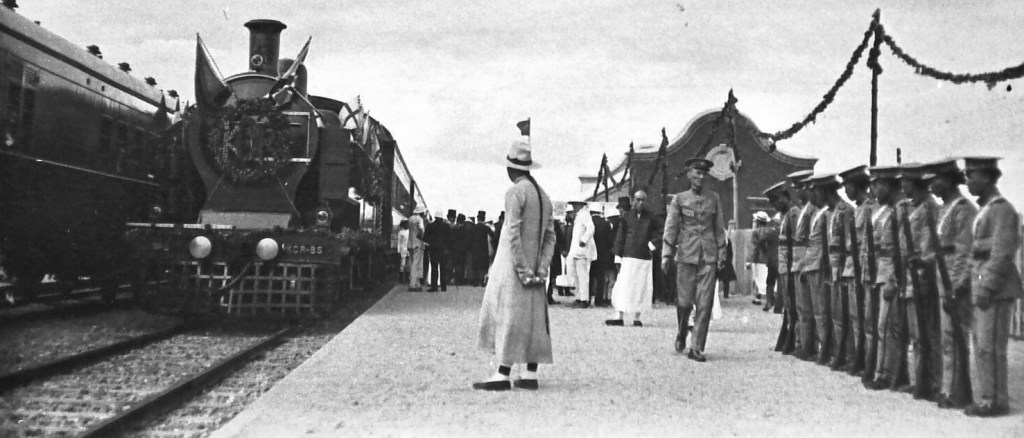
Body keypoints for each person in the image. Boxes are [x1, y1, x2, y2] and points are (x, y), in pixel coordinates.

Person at [476, 140, 557, 391]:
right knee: (534, 319)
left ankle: (502, 374)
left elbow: (512, 233)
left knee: (507, 316)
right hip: (536, 268)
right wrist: (541, 268)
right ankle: (530, 373)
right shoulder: (544, 196)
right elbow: (550, 237)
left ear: (511, 168)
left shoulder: (516, 192)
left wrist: (522, 270)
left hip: (513, 267)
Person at [963, 156, 1020, 417]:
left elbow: (1001, 254)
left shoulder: (1002, 210)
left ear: (986, 177)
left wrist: (985, 287)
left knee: (991, 347)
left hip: (996, 290)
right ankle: (989, 398)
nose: (967, 181)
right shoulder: (985, 210)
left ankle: (995, 401)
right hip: (983, 286)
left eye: (971, 176)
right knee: (982, 346)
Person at [923, 159, 976, 409]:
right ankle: (947, 388)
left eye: (935, 180)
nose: (931, 185)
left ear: (948, 180)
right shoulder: (944, 209)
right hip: (940, 279)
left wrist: (956, 286)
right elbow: (941, 249)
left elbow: (965, 253)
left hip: (953, 283)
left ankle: (957, 391)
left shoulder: (964, 209)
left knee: (956, 336)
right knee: (946, 337)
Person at [662, 158, 726, 362]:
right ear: (689, 175)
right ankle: (682, 332)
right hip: (686, 255)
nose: (701, 177)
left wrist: (722, 252)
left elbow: (719, 228)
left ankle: (697, 347)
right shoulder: (679, 199)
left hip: (708, 256)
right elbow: (671, 227)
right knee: (684, 303)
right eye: (697, 173)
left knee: (705, 303)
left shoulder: (714, 198)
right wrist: (666, 254)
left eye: (704, 174)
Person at [894, 164, 942, 400]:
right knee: (916, 334)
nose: (903, 186)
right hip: (909, 276)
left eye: (906, 181)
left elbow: (928, 245)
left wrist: (920, 267)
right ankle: (921, 381)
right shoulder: (912, 207)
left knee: (926, 333)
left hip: (922, 276)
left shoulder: (929, 208)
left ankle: (933, 383)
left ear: (916, 183)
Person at [865, 165, 903, 391]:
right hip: (880, 272)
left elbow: (900, 250)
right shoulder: (885, 211)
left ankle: (887, 374)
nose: (873, 190)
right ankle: (882, 371)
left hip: (890, 274)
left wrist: (893, 279)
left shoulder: (899, 212)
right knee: (881, 326)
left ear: (887, 185)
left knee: (887, 327)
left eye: (876, 185)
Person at [839, 164, 878, 380]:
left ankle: (868, 362)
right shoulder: (860, 209)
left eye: (848, 186)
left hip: (865, 269)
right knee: (856, 317)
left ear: (857, 186)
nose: (846, 191)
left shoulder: (871, 208)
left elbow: (868, 244)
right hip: (854, 268)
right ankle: (859, 358)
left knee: (867, 319)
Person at [606, 189, 662, 327]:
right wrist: (617, 256)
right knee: (623, 286)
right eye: (638, 200)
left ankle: (637, 317)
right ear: (633, 200)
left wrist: (652, 245)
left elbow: (661, 232)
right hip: (628, 256)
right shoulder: (626, 216)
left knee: (641, 287)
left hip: (644, 257)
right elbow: (621, 236)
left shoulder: (651, 217)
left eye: (643, 200)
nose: (640, 203)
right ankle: (619, 316)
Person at [820, 174, 855, 371]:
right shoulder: (829, 213)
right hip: (831, 268)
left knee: (844, 315)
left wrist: (843, 271)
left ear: (826, 192)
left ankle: (848, 356)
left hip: (842, 268)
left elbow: (849, 244)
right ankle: (837, 353)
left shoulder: (846, 211)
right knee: (835, 314)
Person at [765, 181, 800, 354]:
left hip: (791, 267)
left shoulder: (794, 215)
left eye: (776, 200)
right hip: (784, 267)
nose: (775, 205)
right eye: (772, 202)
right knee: (787, 305)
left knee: (792, 306)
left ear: (784, 197)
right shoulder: (785, 215)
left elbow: (795, 244)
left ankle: (793, 341)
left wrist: (794, 268)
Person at [789, 170, 819, 361]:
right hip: (798, 259)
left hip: (805, 260)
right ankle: (802, 343)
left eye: (801, 187)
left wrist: (804, 264)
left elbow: (810, 241)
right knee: (801, 307)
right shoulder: (803, 210)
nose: (798, 191)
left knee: (807, 308)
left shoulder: (812, 211)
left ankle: (808, 346)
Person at [566, 200, 596, 308]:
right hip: (576, 251)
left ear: (581, 205)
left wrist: (584, 240)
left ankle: (584, 299)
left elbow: (591, 228)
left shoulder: (585, 214)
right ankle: (579, 297)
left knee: (582, 276)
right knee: (577, 276)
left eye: (576, 204)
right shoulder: (578, 216)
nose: (574, 206)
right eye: (573, 205)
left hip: (582, 251)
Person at [747, 211, 777, 309]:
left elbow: (754, 248)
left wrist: (750, 261)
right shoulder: (772, 231)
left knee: (758, 279)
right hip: (770, 259)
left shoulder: (755, 232)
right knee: (769, 279)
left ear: (758, 222)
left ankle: (758, 298)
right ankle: (771, 298)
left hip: (759, 259)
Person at [590, 204, 614, 307]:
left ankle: (587, 298)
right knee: (601, 278)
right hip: (603, 254)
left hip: (591, 253)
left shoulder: (589, 222)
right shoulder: (605, 224)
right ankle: (598, 300)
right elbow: (610, 240)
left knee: (590, 276)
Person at [424, 209, 452, 292]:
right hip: (443, 250)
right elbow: (450, 238)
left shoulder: (430, 226)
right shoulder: (446, 226)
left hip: (433, 250)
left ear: (435, 217)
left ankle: (434, 287)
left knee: (434, 268)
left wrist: (431, 243)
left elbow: (425, 237)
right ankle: (443, 287)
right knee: (443, 268)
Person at [408, 205, 426, 292]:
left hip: (410, 243)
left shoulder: (410, 219)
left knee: (412, 263)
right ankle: (412, 284)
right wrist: (421, 236)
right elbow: (422, 229)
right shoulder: (419, 219)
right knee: (416, 264)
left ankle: (417, 283)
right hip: (418, 244)